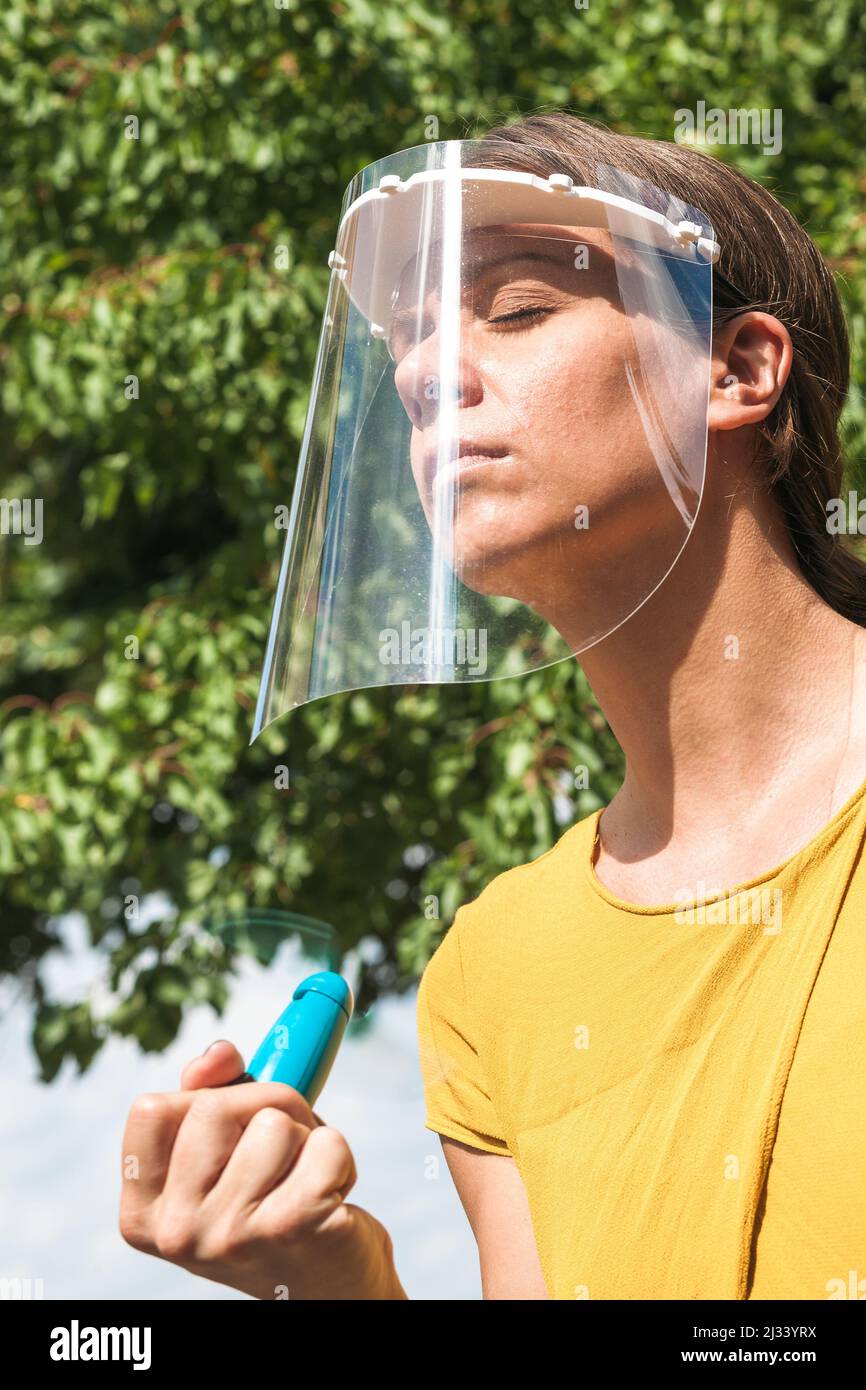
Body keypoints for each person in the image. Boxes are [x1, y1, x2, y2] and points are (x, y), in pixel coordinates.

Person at [120, 112, 865, 1299]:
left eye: (515, 310)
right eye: (405, 342)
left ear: (733, 370)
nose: (421, 371)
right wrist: (338, 1279)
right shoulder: (493, 966)